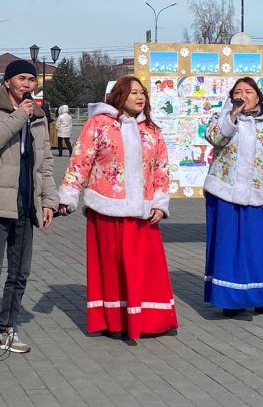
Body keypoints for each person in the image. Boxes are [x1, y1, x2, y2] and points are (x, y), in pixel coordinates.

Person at [58, 76, 177, 339]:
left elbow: (161, 168)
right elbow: (81, 159)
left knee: (147, 268)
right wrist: (69, 195)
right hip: (107, 209)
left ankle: (151, 321)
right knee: (112, 268)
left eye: (142, 92)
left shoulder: (152, 130)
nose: (139, 97)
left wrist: (160, 202)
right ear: (119, 96)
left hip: (144, 211)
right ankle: (115, 321)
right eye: (133, 92)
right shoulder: (100, 123)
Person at [0, 59, 59, 360]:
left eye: (31, 80)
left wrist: (49, 202)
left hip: (26, 206)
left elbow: (45, 164)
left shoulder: (39, 117)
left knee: (19, 274)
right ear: (8, 82)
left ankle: (5, 328)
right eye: (21, 79)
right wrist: (19, 116)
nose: (27, 84)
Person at [203, 77, 263, 320]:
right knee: (228, 248)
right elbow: (215, 138)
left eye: (248, 91)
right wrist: (232, 115)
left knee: (260, 249)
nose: (243, 95)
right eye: (238, 92)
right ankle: (231, 301)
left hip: (256, 196)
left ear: (258, 97)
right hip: (225, 194)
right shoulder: (222, 119)